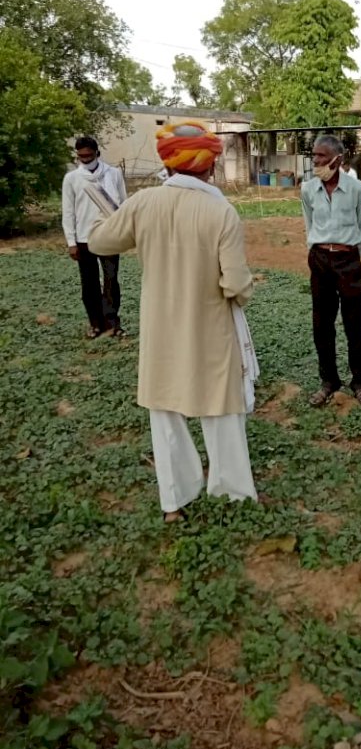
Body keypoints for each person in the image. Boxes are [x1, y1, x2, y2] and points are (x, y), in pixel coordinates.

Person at [88, 122, 259, 522]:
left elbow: (100, 242)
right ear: (209, 165)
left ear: (170, 162)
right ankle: (232, 492)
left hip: (161, 330)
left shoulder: (143, 204)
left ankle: (173, 504)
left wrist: (102, 219)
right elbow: (235, 283)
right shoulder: (221, 211)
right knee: (221, 409)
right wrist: (243, 290)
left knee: (164, 412)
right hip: (210, 329)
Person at [301, 134, 361, 407]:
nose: (316, 160)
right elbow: (309, 225)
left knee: (355, 322)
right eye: (314, 156)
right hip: (319, 260)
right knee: (322, 323)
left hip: (348, 260)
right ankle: (328, 381)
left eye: (321, 156)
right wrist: (318, 250)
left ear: (337, 159)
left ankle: (360, 383)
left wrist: (351, 256)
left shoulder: (357, 189)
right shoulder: (308, 189)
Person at [62, 136, 127, 339]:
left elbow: (124, 204)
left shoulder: (113, 174)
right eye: (81, 156)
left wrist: (124, 232)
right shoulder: (72, 179)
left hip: (109, 235)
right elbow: (68, 212)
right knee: (89, 284)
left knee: (111, 281)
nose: (85, 159)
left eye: (89, 155)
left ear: (97, 153)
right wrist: (71, 242)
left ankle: (112, 324)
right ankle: (95, 324)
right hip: (84, 238)